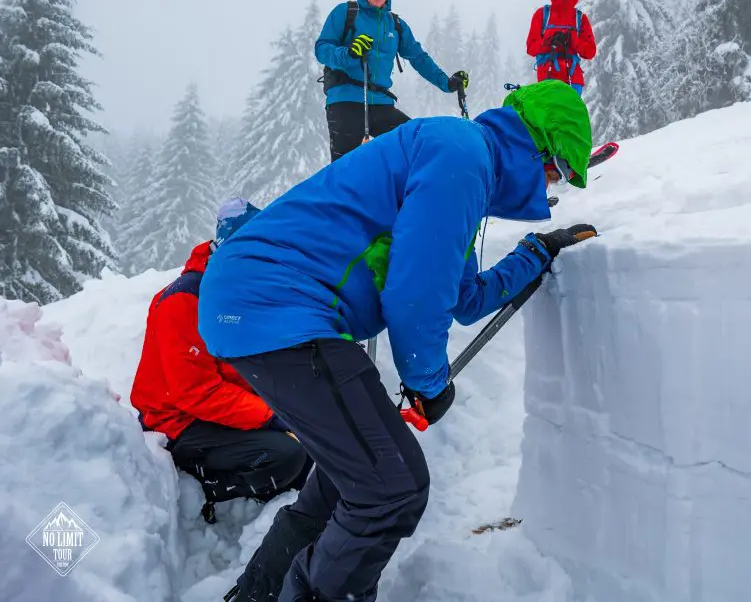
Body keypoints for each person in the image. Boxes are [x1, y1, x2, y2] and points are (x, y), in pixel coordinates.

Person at [198, 80, 596, 602]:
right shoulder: (461, 156)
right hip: (278, 306)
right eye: (559, 170)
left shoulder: (463, 166)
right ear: (539, 147)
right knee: (393, 487)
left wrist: (534, 253)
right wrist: (427, 382)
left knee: (351, 481)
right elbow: (414, 297)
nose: (550, 185)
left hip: (259, 305)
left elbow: (463, 297)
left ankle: (256, 595)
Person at [130, 198, 312, 525]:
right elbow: (195, 392)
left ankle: (282, 500)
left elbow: (241, 367)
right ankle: (202, 493)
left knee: (311, 437)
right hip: (175, 422)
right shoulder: (184, 300)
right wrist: (271, 416)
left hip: (212, 411)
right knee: (287, 453)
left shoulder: (233, 292)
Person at [317, 0, 469, 162]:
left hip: (381, 104)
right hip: (346, 101)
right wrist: (348, 53)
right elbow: (322, 48)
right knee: (346, 170)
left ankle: (404, 192)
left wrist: (447, 83)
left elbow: (418, 57)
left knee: (416, 144)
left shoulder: (395, 25)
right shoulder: (345, 13)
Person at [526, 0, 597, 95]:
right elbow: (531, 48)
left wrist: (573, 40)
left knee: (571, 114)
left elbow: (590, 51)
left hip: (573, 79)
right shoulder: (542, 15)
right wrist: (549, 41)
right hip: (548, 77)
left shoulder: (580, 18)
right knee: (550, 114)